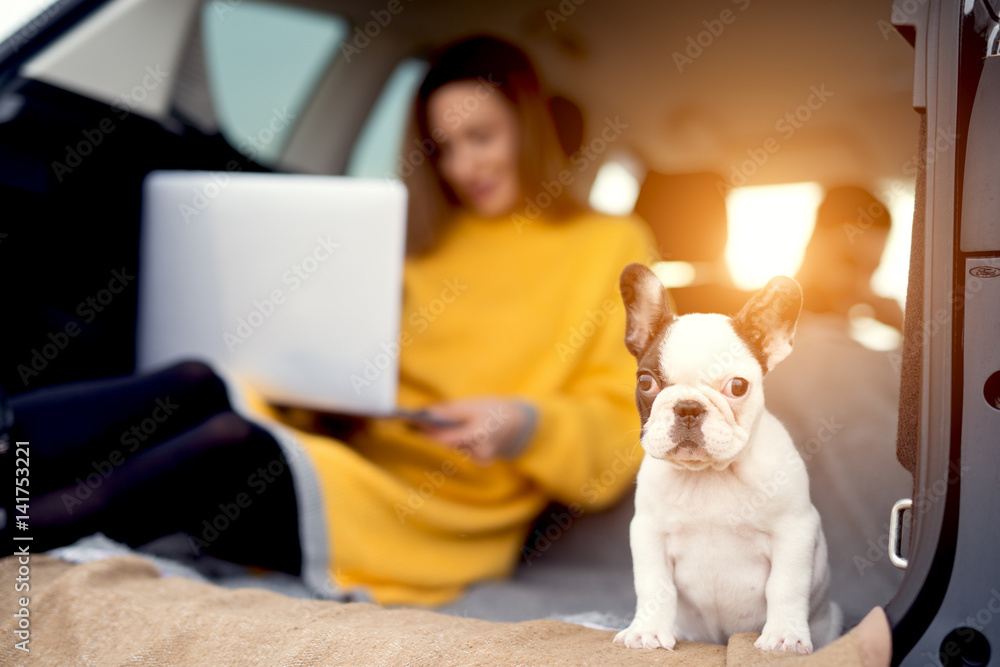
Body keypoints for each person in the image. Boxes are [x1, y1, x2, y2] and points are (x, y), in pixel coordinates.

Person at [1, 34, 657, 607]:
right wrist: (325, 385)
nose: (463, 167)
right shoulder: (416, 232)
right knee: (202, 375)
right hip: (350, 448)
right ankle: (9, 443)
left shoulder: (610, 244)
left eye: (481, 138)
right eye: (445, 147)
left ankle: (21, 526)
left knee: (231, 441)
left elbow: (621, 421)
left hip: (444, 512)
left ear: (528, 122)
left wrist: (523, 424)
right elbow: (354, 358)